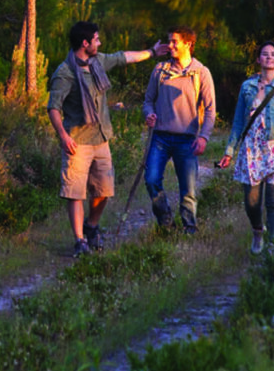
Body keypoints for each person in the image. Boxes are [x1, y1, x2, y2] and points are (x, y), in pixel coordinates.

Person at [47, 21, 168, 258]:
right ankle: (79, 240)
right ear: (85, 43)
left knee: (103, 190)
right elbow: (53, 108)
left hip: (101, 138)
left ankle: (91, 226)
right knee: (75, 192)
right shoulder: (65, 73)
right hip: (77, 142)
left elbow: (124, 57)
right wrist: (63, 136)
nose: (100, 43)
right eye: (96, 39)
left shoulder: (98, 61)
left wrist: (152, 52)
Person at [218, 41, 274, 254]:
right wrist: (229, 151)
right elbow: (238, 121)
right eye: (265, 54)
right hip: (251, 149)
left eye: (273, 54)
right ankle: (257, 231)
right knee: (252, 202)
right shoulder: (247, 87)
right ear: (258, 59)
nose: (269, 57)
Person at [142, 27, 216, 233]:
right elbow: (148, 101)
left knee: (188, 189)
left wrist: (204, 137)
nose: (170, 45)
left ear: (188, 44)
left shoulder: (201, 73)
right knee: (151, 180)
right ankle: (165, 220)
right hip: (160, 137)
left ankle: (189, 227)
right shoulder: (160, 70)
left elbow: (210, 110)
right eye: (169, 41)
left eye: (175, 41)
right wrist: (148, 114)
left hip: (187, 139)